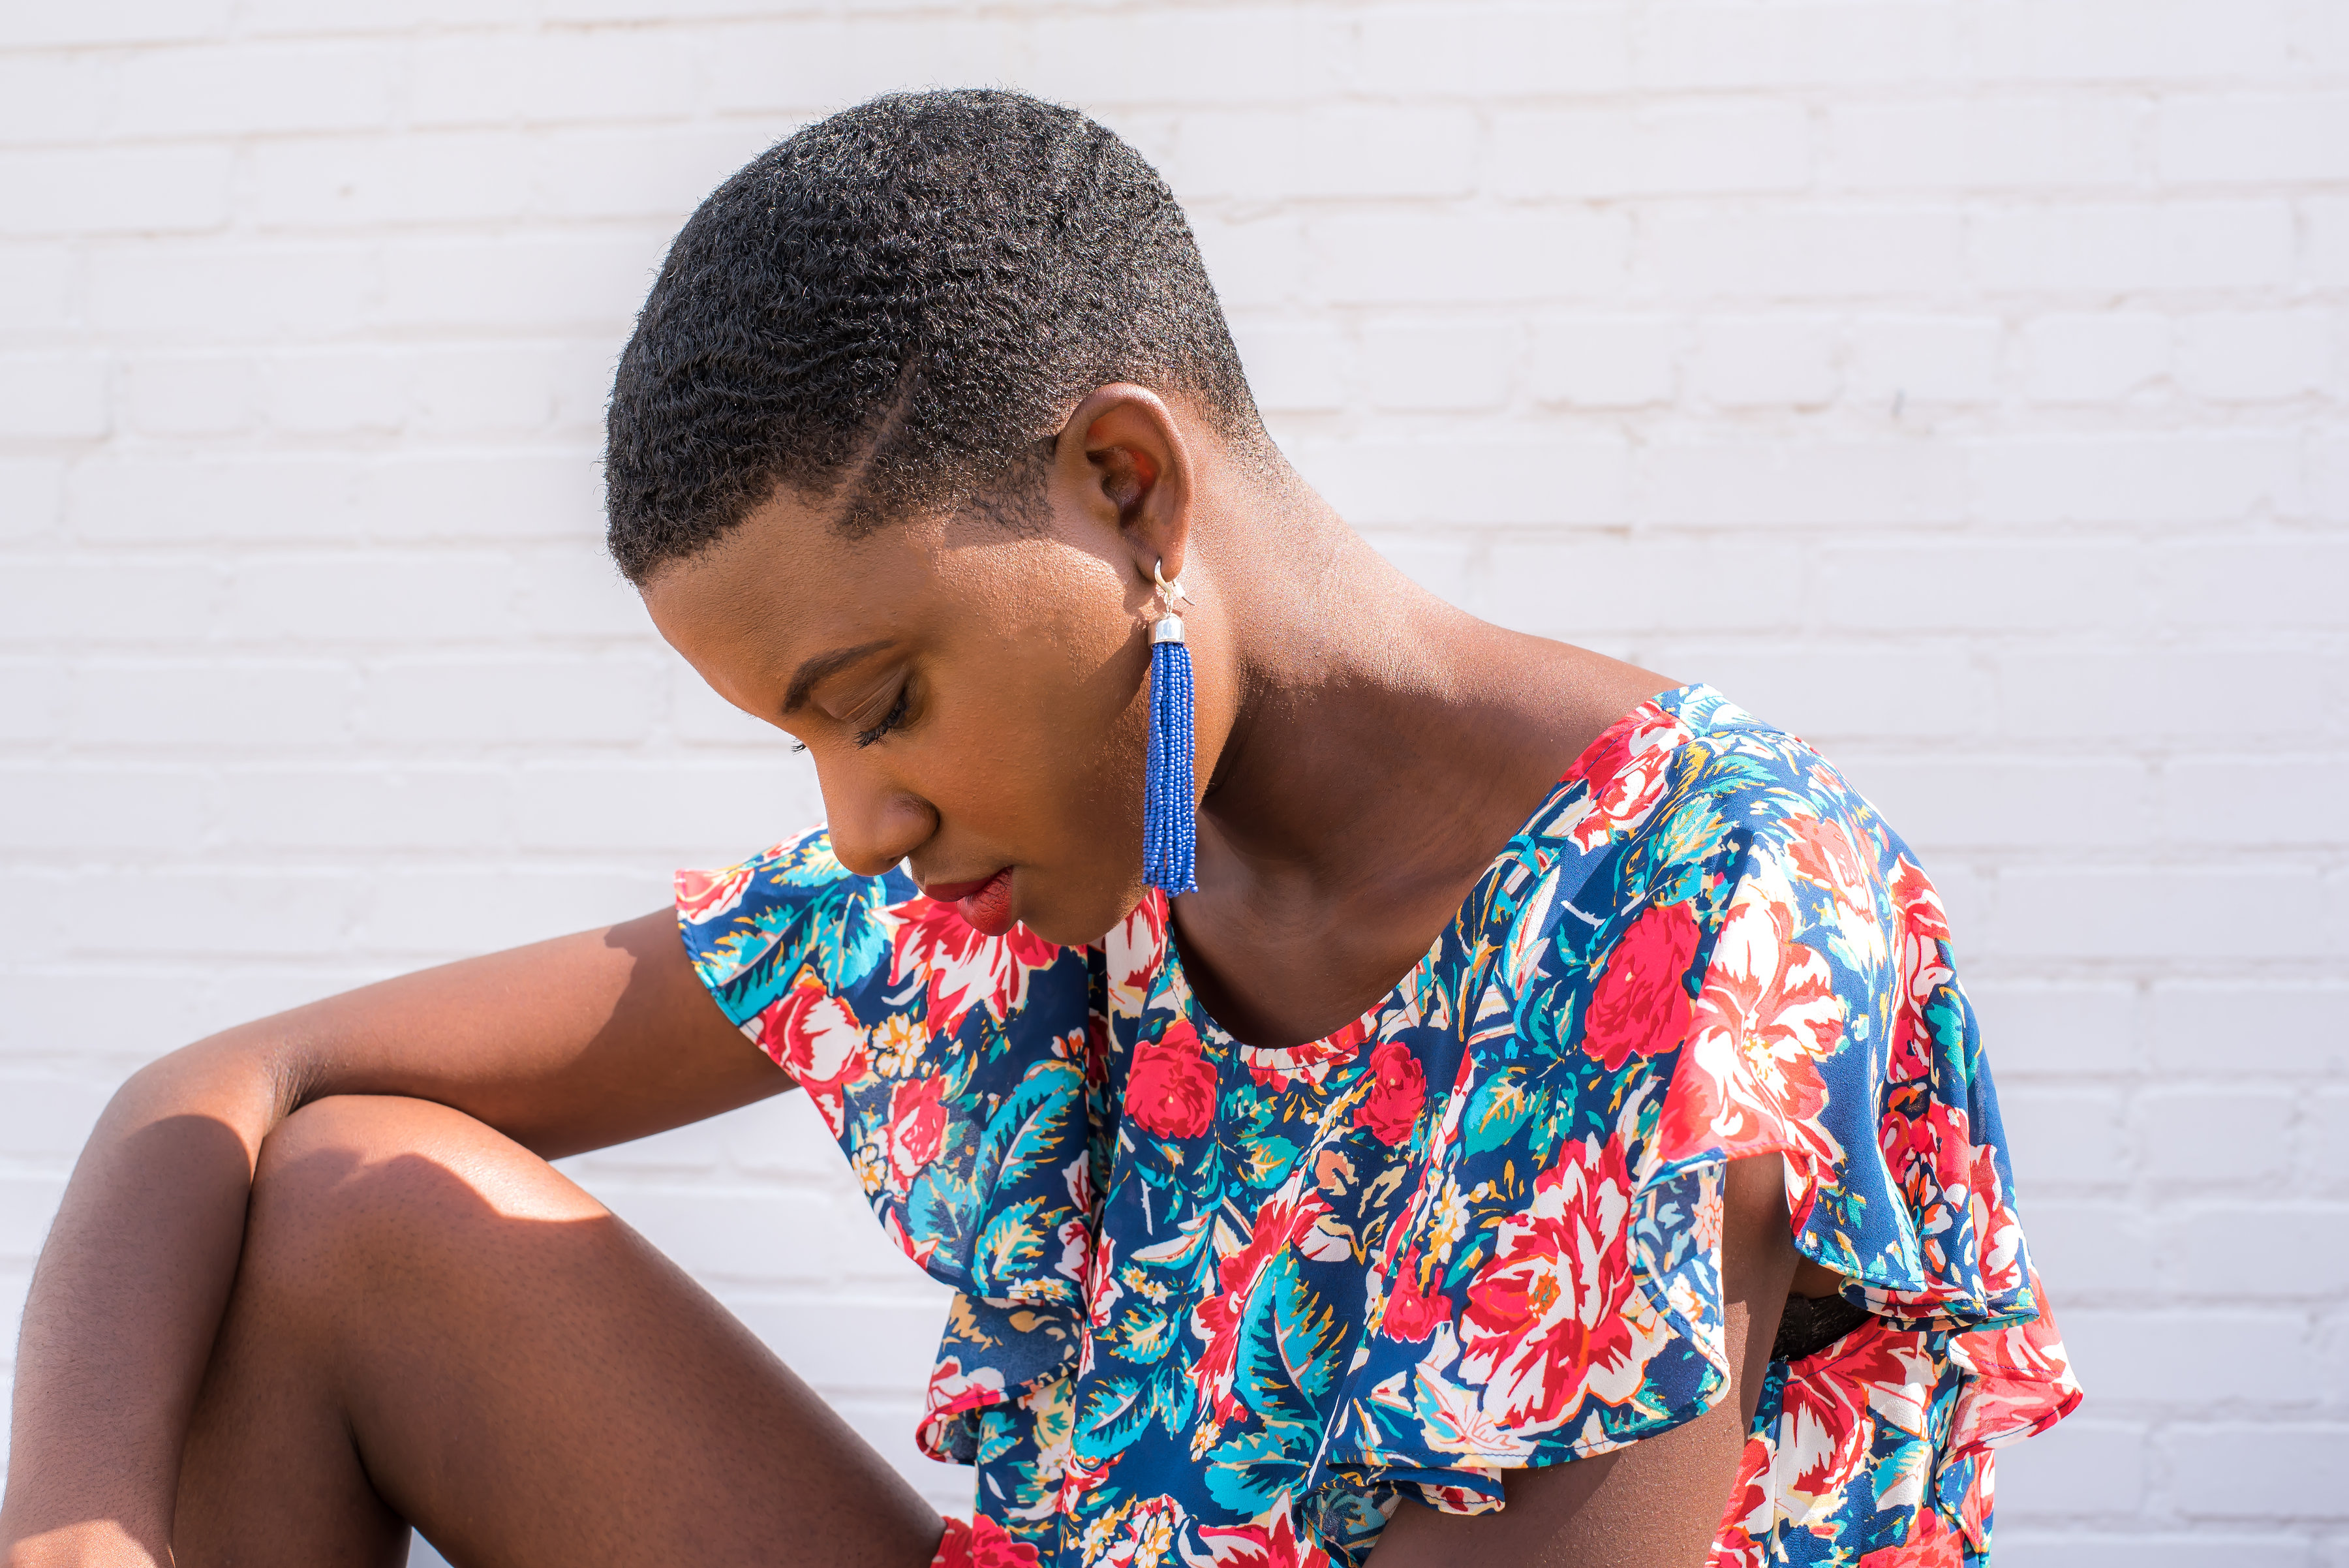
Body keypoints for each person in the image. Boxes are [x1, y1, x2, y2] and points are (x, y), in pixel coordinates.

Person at [1, 90, 2078, 1568]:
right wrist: (84, 1528)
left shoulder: (1702, 914)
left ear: (1129, 488)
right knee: (359, 1210)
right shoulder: (1069, 863)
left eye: (879, 699)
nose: (866, 824)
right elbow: (230, 1088)